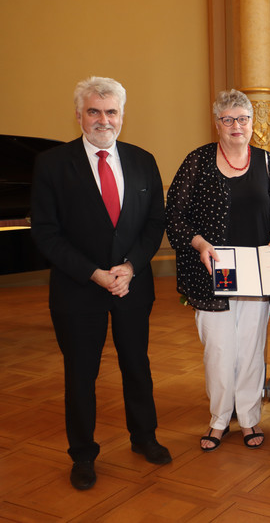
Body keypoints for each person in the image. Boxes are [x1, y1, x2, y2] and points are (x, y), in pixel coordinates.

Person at [30, 76, 170, 491]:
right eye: (94, 111)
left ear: (122, 116)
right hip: (78, 290)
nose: (103, 120)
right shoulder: (53, 164)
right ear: (78, 115)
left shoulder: (143, 160)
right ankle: (83, 454)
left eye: (111, 112)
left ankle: (144, 437)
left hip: (132, 285)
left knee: (137, 366)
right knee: (81, 374)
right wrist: (94, 273)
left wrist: (130, 266)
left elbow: (154, 223)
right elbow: (45, 233)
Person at [165, 89, 270, 452]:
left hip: (255, 275)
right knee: (219, 352)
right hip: (212, 275)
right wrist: (201, 244)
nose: (237, 126)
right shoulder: (198, 161)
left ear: (252, 123)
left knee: (251, 350)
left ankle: (250, 418)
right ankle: (220, 420)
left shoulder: (267, 162)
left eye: (243, 119)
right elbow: (174, 216)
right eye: (228, 119)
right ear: (217, 124)